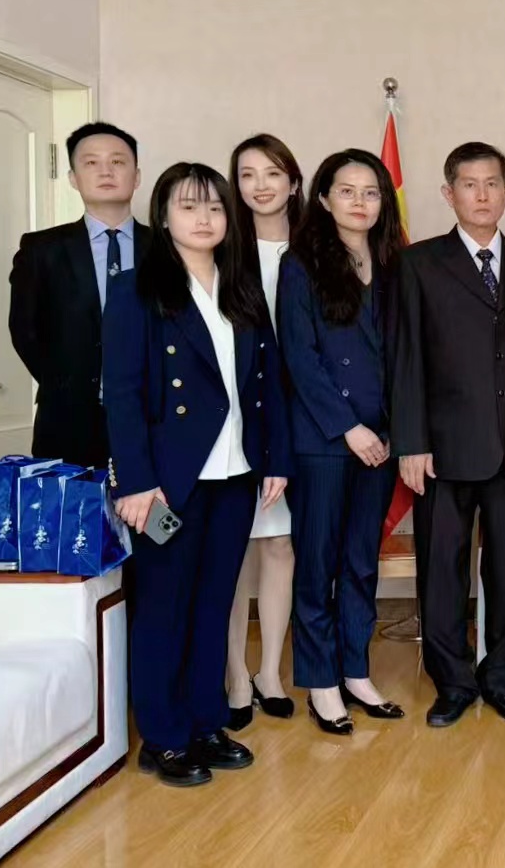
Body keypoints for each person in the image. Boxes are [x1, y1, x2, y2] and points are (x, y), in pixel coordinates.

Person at [103, 162, 290, 787]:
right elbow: (122, 394)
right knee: (164, 606)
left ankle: (206, 721)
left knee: (215, 603)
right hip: (165, 484)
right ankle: (162, 736)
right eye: (188, 206)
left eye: (214, 207)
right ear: (163, 217)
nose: (204, 218)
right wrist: (135, 482)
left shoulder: (240, 287)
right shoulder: (136, 290)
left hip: (235, 475)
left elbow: (266, 383)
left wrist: (275, 459)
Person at [391, 142, 505, 728]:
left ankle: (502, 676)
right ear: (448, 193)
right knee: (442, 571)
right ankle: (452, 683)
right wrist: (410, 441)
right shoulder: (418, 263)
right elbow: (405, 358)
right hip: (441, 448)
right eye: (469, 185)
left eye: (492, 184)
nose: (481, 195)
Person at [279, 149, 405, 734]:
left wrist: (391, 430)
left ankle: (356, 671)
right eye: (347, 191)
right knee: (318, 565)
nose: (360, 202)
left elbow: (406, 355)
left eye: (371, 192)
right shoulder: (300, 264)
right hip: (326, 440)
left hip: (382, 440)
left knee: (360, 563)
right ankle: (321, 682)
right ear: (324, 199)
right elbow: (300, 358)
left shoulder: (396, 263)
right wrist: (349, 428)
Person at [9, 122, 149, 469]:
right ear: (73, 178)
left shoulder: (168, 249)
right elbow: (24, 331)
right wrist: (67, 385)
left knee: (155, 506)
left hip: (152, 420)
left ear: (136, 176)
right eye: (91, 162)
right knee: (70, 504)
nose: (106, 171)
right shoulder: (42, 249)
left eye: (117, 161)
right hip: (67, 422)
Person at [222, 134, 303, 731]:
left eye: (272, 173)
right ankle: (234, 674)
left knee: (280, 545)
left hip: (303, 415)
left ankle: (270, 671)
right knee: (232, 552)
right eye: (247, 175)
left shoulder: (316, 247)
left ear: (294, 182)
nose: (260, 185)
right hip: (238, 416)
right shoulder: (221, 247)